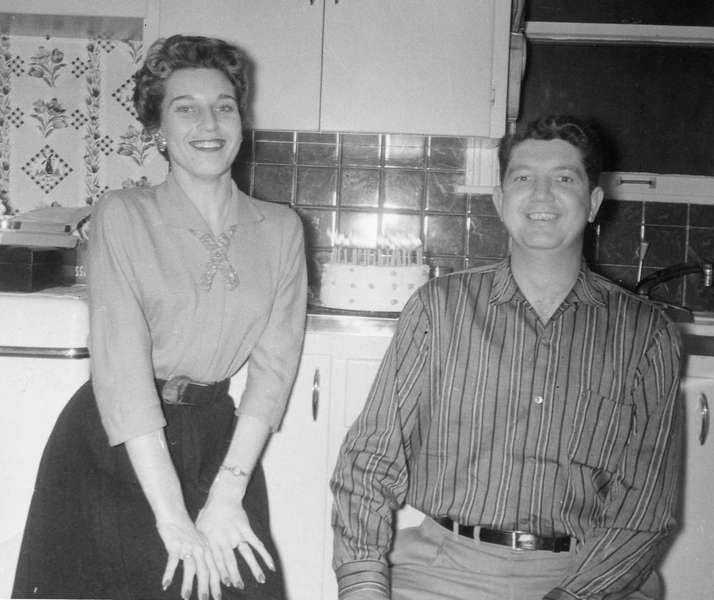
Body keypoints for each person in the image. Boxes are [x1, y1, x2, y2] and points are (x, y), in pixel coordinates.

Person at [330, 115, 682, 600]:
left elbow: (645, 509)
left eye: (564, 178)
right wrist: (364, 587)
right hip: (444, 569)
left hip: (587, 576)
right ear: (499, 200)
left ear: (594, 202)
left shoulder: (646, 334)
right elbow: (368, 464)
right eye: (523, 178)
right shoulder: (439, 310)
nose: (541, 195)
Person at [12, 35, 306, 600]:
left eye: (224, 106)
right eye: (185, 108)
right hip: (120, 447)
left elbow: (274, 371)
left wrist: (228, 495)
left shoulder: (281, 229)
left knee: (244, 585)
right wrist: (172, 519)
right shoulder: (124, 215)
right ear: (159, 131)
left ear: (241, 121)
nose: (209, 123)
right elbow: (121, 372)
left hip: (220, 445)